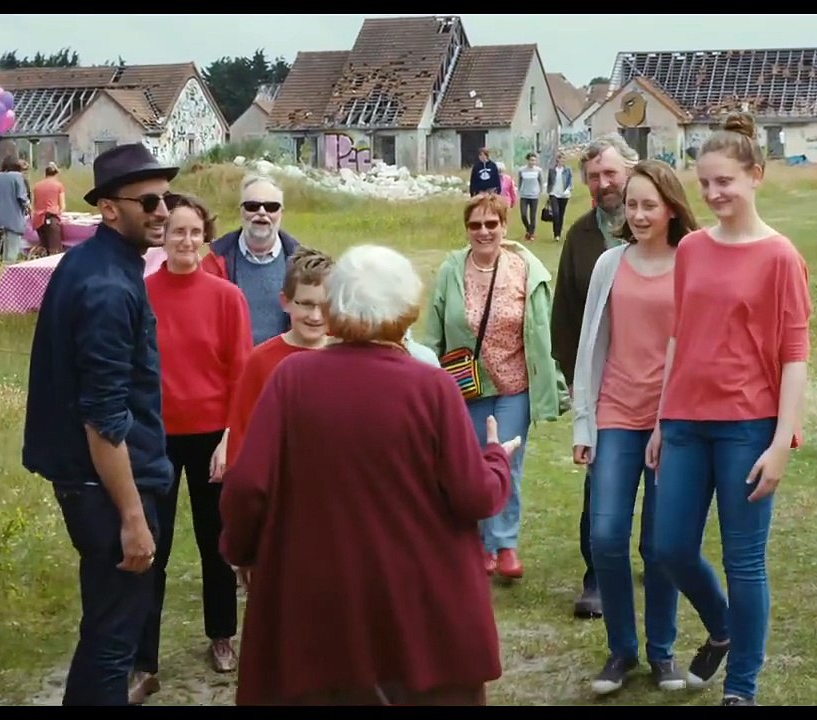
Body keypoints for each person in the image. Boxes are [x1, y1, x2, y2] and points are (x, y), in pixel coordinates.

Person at [219, 244, 520, 706]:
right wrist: (496, 458)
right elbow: (473, 494)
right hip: (420, 602)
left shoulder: (292, 379)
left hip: (321, 595)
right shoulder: (432, 386)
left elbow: (246, 485)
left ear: (336, 307)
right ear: (405, 310)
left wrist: (242, 551)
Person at [647, 112, 813, 707]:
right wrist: (663, 420)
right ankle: (721, 628)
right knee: (668, 548)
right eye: (706, 183)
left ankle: (741, 686)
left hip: (747, 427)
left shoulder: (780, 256)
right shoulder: (691, 249)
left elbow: (795, 353)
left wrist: (780, 441)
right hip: (686, 424)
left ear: (756, 177)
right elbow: (677, 336)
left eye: (726, 182)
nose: (715, 194)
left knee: (745, 563)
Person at [21, 142, 180, 706]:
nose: (163, 211)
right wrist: (133, 519)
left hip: (98, 482)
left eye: (169, 199)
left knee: (104, 632)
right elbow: (104, 418)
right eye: (150, 202)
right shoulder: (108, 286)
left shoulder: (100, 264)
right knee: (115, 641)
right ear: (110, 209)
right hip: (108, 487)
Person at [572, 159, 725, 696]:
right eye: (631, 204)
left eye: (648, 206)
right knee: (607, 536)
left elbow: (701, 345)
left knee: (660, 546)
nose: (637, 214)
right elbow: (591, 344)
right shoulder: (610, 265)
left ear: (670, 208)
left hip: (675, 423)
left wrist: (671, 419)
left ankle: (661, 653)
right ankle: (621, 651)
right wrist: (583, 425)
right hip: (615, 413)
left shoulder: (693, 262)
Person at [130, 193, 253, 704]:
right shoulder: (141, 293)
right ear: (163, 236)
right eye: (176, 232)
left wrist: (229, 437)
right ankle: (143, 657)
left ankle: (221, 636)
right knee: (151, 549)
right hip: (156, 434)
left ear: (206, 238)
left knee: (216, 542)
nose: (185, 241)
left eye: (194, 233)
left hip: (211, 434)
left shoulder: (227, 297)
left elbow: (241, 373)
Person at [423, 192, 562, 579]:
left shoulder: (524, 269)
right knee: (470, 464)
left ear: (504, 226)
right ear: (466, 230)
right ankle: (480, 544)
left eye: (491, 224)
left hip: (515, 385)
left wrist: (556, 380)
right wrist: (425, 378)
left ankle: (505, 545)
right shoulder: (451, 270)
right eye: (475, 225)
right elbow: (434, 330)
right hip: (465, 387)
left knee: (507, 462)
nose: (483, 232)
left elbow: (542, 331)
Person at [550, 133, 639, 619]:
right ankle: (597, 578)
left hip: (659, 380)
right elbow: (563, 313)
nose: (604, 184)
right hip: (603, 383)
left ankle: (656, 558)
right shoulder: (582, 236)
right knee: (600, 484)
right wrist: (575, 378)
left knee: (663, 478)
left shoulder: (668, 228)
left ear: (630, 168)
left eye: (610, 173)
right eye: (594, 177)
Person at [216, 246, 334, 477]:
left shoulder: (346, 357)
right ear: (285, 302)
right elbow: (243, 434)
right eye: (306, 304)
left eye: (325, 306)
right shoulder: (261, 360)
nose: (315, 316)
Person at [201, 174, 304, 346]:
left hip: (285, 368)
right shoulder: (213, 264)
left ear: (281, 213)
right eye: (252, 206)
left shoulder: (302, 264)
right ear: (240, 211)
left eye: (271, 207)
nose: (261, 213)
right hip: (235, 369)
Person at [31, 162, 67, 256]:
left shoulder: (37, 186)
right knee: (55, 250)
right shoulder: (58, 185)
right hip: (51, 217)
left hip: (39, 220)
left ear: (45, 174)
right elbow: (62, 206)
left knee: (44, 247)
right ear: (56, 174)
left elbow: (34, 205)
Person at [515, 152, 543, 242]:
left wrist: (540, 191)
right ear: (528, 160)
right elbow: (519, 181)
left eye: (534, 160)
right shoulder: (522, 170)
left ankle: (531, 234)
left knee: (533, 216)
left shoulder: (538, 170)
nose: (533, 162)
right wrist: (519, 191)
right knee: (523, 214)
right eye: (531, 160)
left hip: (534, 195)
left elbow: (540, 181)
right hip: (524, 195)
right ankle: (528, 229)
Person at [546, 152, 574, 242]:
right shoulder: (552, 170)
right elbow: (549, 182)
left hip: (564, 195)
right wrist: (548, 192)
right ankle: (556, 233)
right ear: (557, 159)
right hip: (554, 194)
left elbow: (570, 182)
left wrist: (569, 189)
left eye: (564, 159)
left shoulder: (567, 170)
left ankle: (559, 233)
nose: (563, 161)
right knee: (556, 213)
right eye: (561, 159)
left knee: (561, 214)